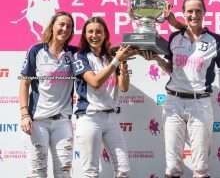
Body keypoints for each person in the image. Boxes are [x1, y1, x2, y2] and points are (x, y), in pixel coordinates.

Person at [142, 0, 220, 178]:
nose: (194, 15)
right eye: (189, 11)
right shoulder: (175, 37)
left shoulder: (217, 41)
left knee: (200, 167)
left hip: (200, 104)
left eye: (198, 11)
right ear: (183, 13)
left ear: (204, 13)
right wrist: (158, 59)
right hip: (173, 102)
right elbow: (172, 68)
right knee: (173, 166)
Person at [72, 16, 137, 178]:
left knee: (123, 170)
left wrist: (122, 63)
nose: (94, 35)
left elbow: (123, 86)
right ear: (85, 35)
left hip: (111, 118)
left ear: (105, 34)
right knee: (91, 172)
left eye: (99, 32)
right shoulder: (79, 57)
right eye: (90, 32)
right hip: (89, 117)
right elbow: (95, 82)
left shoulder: (110, 57)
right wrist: (116, 60)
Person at [19, 11, 77, 177]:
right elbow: (24, 83)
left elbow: (98, 54)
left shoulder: (74, 54)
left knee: (64, 174)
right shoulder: (36, 51)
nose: (65, 29)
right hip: (38, 122)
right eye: (61, 24)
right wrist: (24, 114)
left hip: (63, 123)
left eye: (69, 26)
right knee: (38, 173)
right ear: (52, 26)